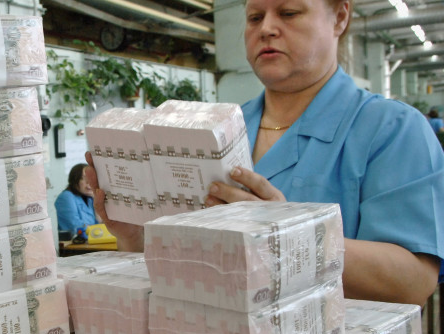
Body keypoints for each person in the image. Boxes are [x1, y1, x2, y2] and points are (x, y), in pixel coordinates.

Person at [86, 0, 444, 309]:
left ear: (339, 18)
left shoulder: (392, 129)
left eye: (289, 13)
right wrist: (135, 236)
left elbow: (412, 282)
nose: (267, 29)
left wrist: (288, 235)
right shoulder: (214, 134)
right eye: (255, 17)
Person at [55, 163, 98, 239]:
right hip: (73, 245)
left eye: (90, 178)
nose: (88, 182)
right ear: (74, 180)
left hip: (90, 242)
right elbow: (77, 227)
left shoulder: (89, 198)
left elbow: (100, 223)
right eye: (83, 178)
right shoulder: (66, 197)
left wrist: (96, 199)